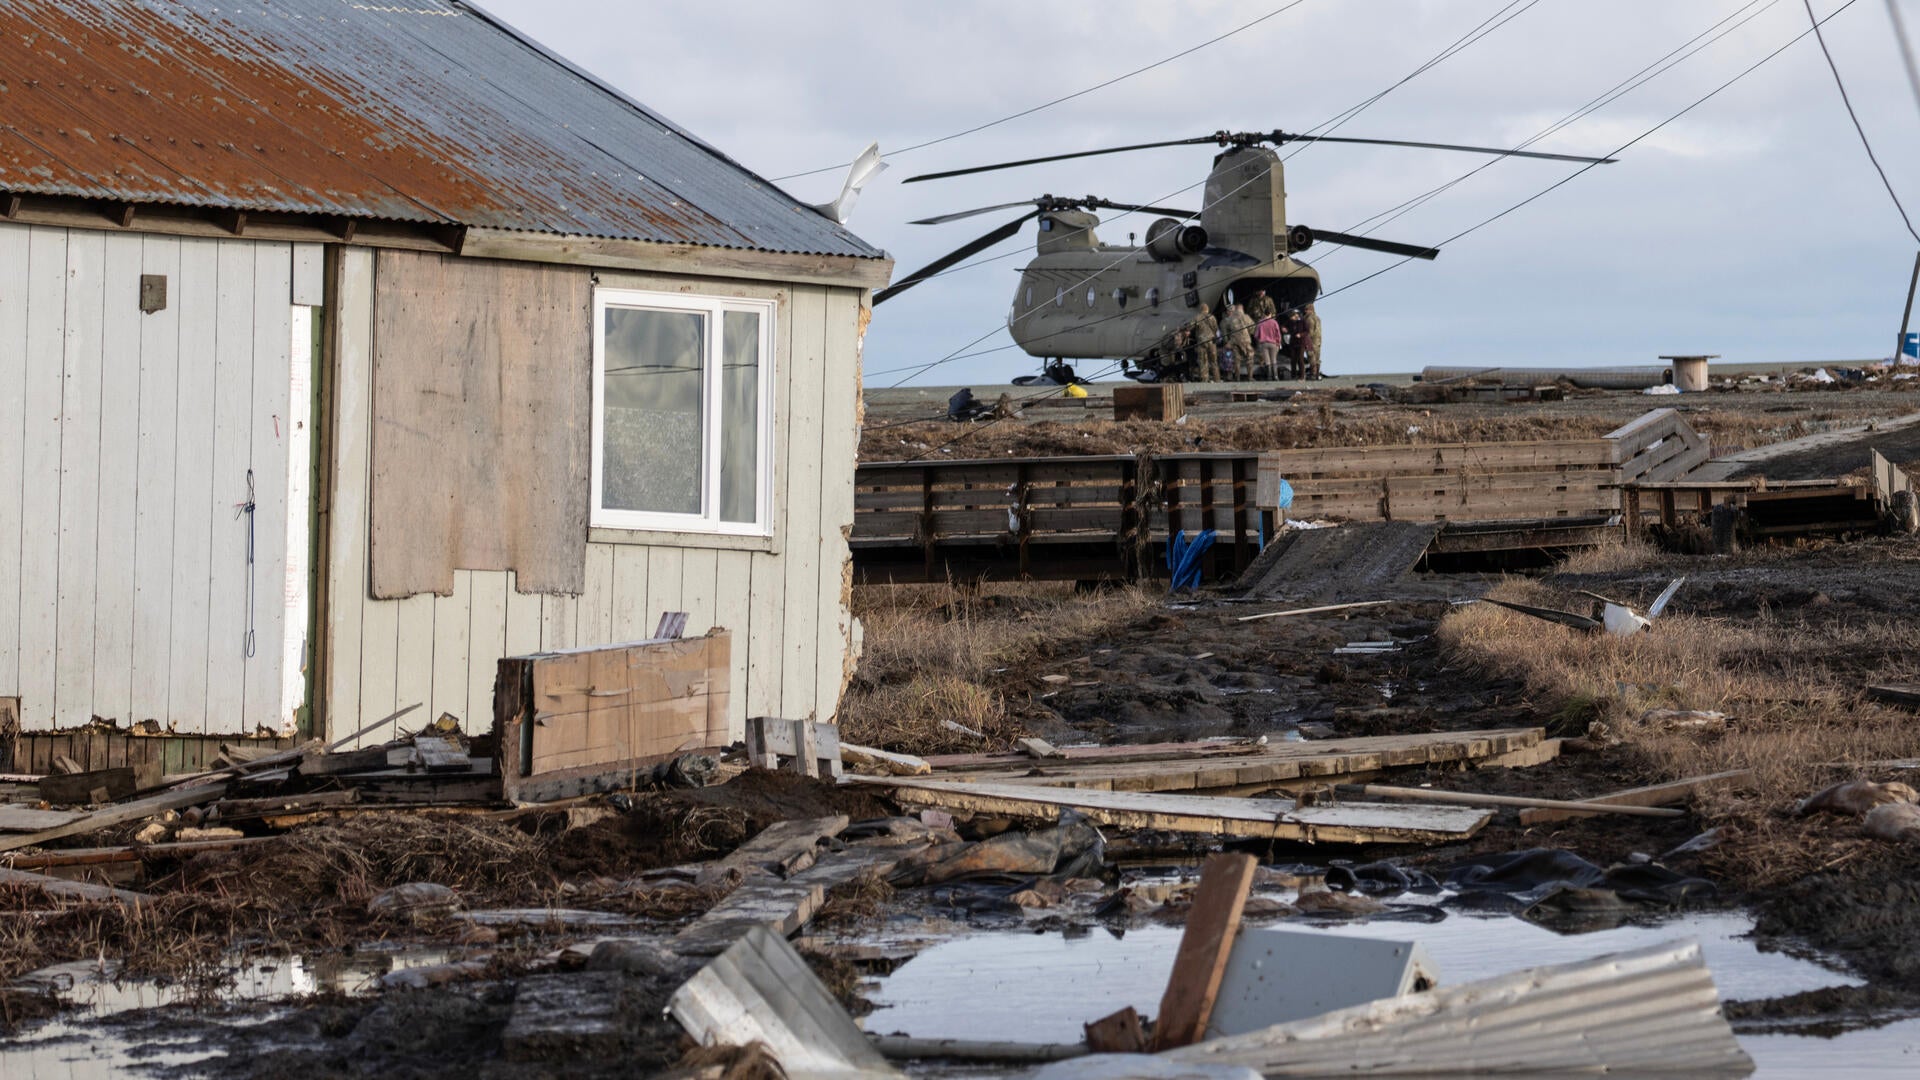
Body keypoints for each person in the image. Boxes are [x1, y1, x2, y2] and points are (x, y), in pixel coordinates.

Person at [1220, 303, 1257, 383]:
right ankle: (1250, 377)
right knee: (1249, 358)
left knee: (1237, 360)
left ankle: (1237, 378)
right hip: (1246, 341)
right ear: (1242, 309)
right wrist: (1248, 333)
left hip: (1234, 341)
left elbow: (1226, 331)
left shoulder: (1229, 319)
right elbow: (1253, 327)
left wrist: (1228, 342)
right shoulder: (1246, 317)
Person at [1189, 303, 1220, 381]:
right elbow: (1216, 328)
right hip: (1212, 342)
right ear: (1207, 309)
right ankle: (1217, 379)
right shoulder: (1212, 317)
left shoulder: (1197, 317)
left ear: (1201, 309)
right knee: (1214, 362)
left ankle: (1205, 380)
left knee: (1203, 362)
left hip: (1201, 342)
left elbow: (1190, 327)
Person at [1254, 309, 1283, 380]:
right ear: (1270, 314)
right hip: (1273, 343)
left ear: (1264, 314)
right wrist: (1278, 342)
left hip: (1263, 344)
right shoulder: (1274, 322)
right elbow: (1278, 334)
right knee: (1274, 359)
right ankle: (1276, 376)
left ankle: (1269, 376)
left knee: (1267, 360)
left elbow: (1256, 335)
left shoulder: (1260, 322)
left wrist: (1259, 339)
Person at [1283, 307, 1308, 380]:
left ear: (1297, 315)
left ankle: (1302, 376)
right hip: (1293, 343)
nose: (1292, 318)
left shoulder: (1303, 322)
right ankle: (1293, 376)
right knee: (1293, 360)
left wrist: (1301, 335)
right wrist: (1284, 328)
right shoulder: (1290, 321)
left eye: (1293, 316)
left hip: (1301, 343)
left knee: (1300, 359)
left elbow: (1307, 331)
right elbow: (1284, 326)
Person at [1304, 303, 1323, 379]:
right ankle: (1317, 374)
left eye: (1306, 310)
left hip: (1311, 341)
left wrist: (1306, 340)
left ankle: (1313, 374)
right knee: (1317, 357)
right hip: (1318, 341)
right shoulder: (1317, 318)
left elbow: (1310, 331)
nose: (1305, 311)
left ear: (1310, 310)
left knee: (1311, 357)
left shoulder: (1309, 319)